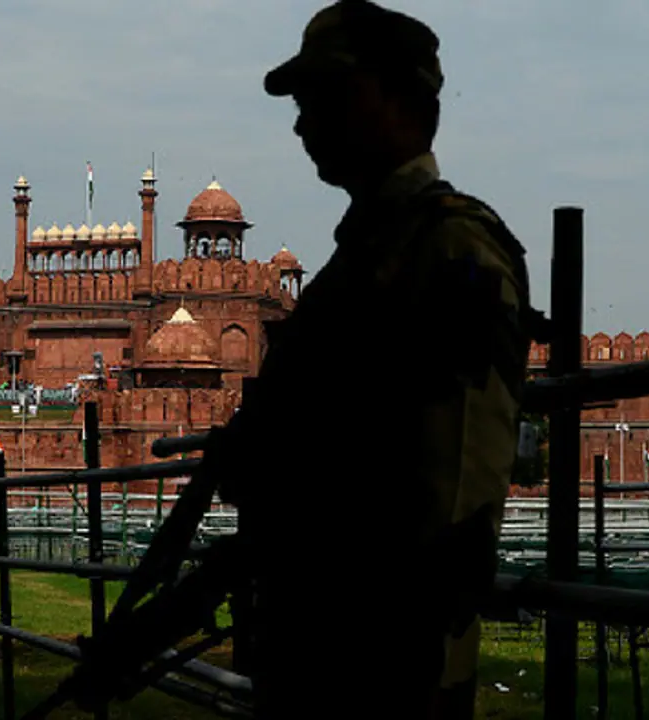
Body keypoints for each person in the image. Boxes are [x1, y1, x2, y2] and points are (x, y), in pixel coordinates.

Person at [197, 1, 534, 717]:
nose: (302, 123)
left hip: (386, 663)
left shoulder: (451, 250)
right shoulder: (364, 259)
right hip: (317, 646)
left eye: (325, 95)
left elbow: (458, 489)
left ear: (397, 98)